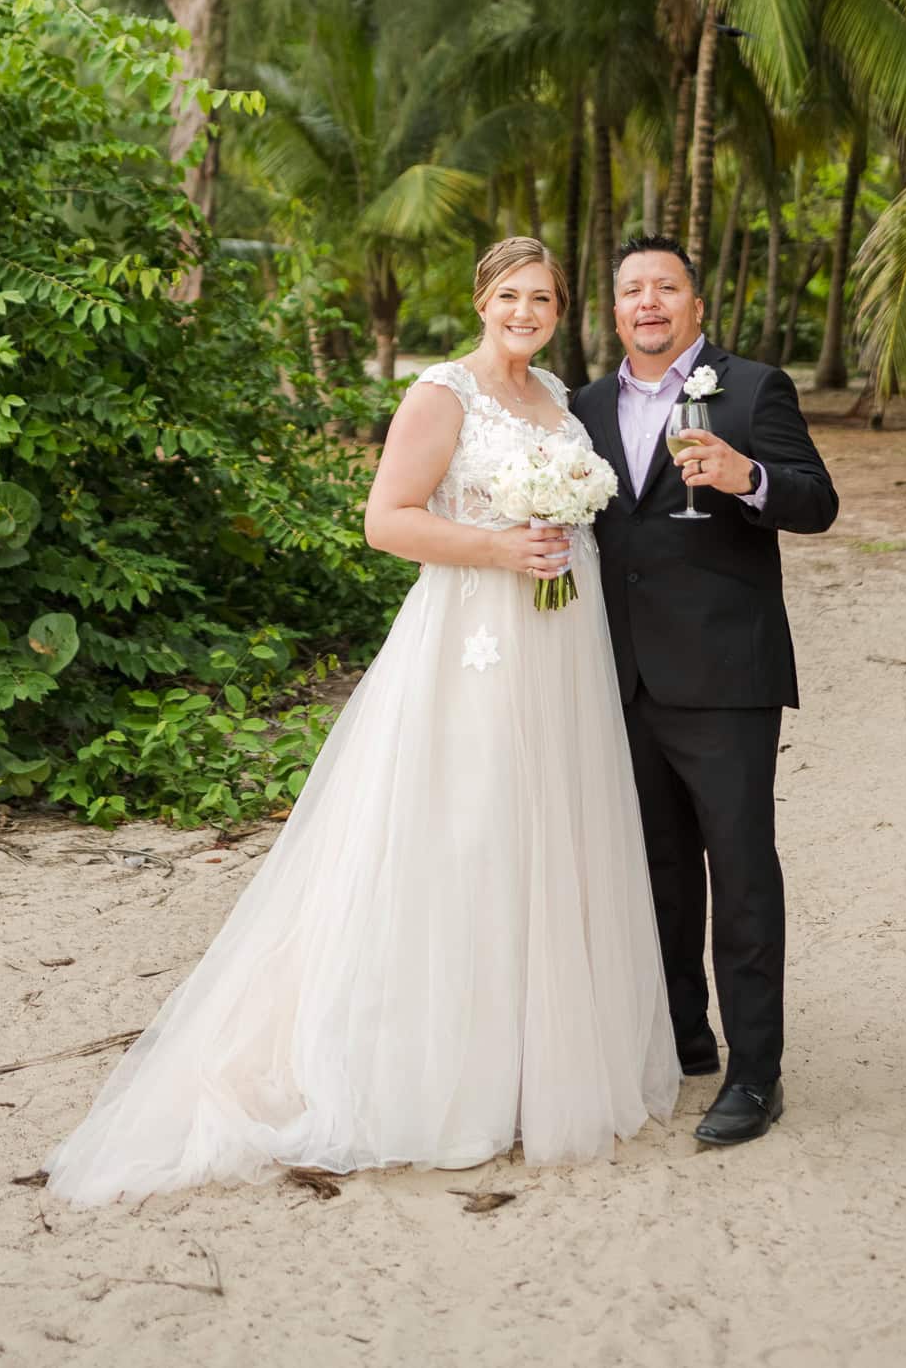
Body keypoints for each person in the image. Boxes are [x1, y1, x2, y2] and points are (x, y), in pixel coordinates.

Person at [44, 238, 677, 1202]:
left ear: (560, 309)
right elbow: (386, 520)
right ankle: (435, 1077)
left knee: (548, 839)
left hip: (559, 650)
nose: (525, 311)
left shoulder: (554, 391)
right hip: (474, 644)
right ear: (479, 299)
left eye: (542, 297)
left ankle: (528, 1067)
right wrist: (495, 550)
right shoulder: (440, 395)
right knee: (468, 838)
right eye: (509, 294)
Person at [571, 235, 838, 1146]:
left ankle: (755, 1076)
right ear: (615, 312)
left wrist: (748, 477)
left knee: (741, 872)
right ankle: (685, 1039)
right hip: (619, 675)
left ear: (696, 305)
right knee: (657, 873)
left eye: (667, 288)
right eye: (632, 289)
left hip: (725, 677)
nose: (649, 302)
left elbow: (818, 500)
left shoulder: (754, 388)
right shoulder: (581, 407)